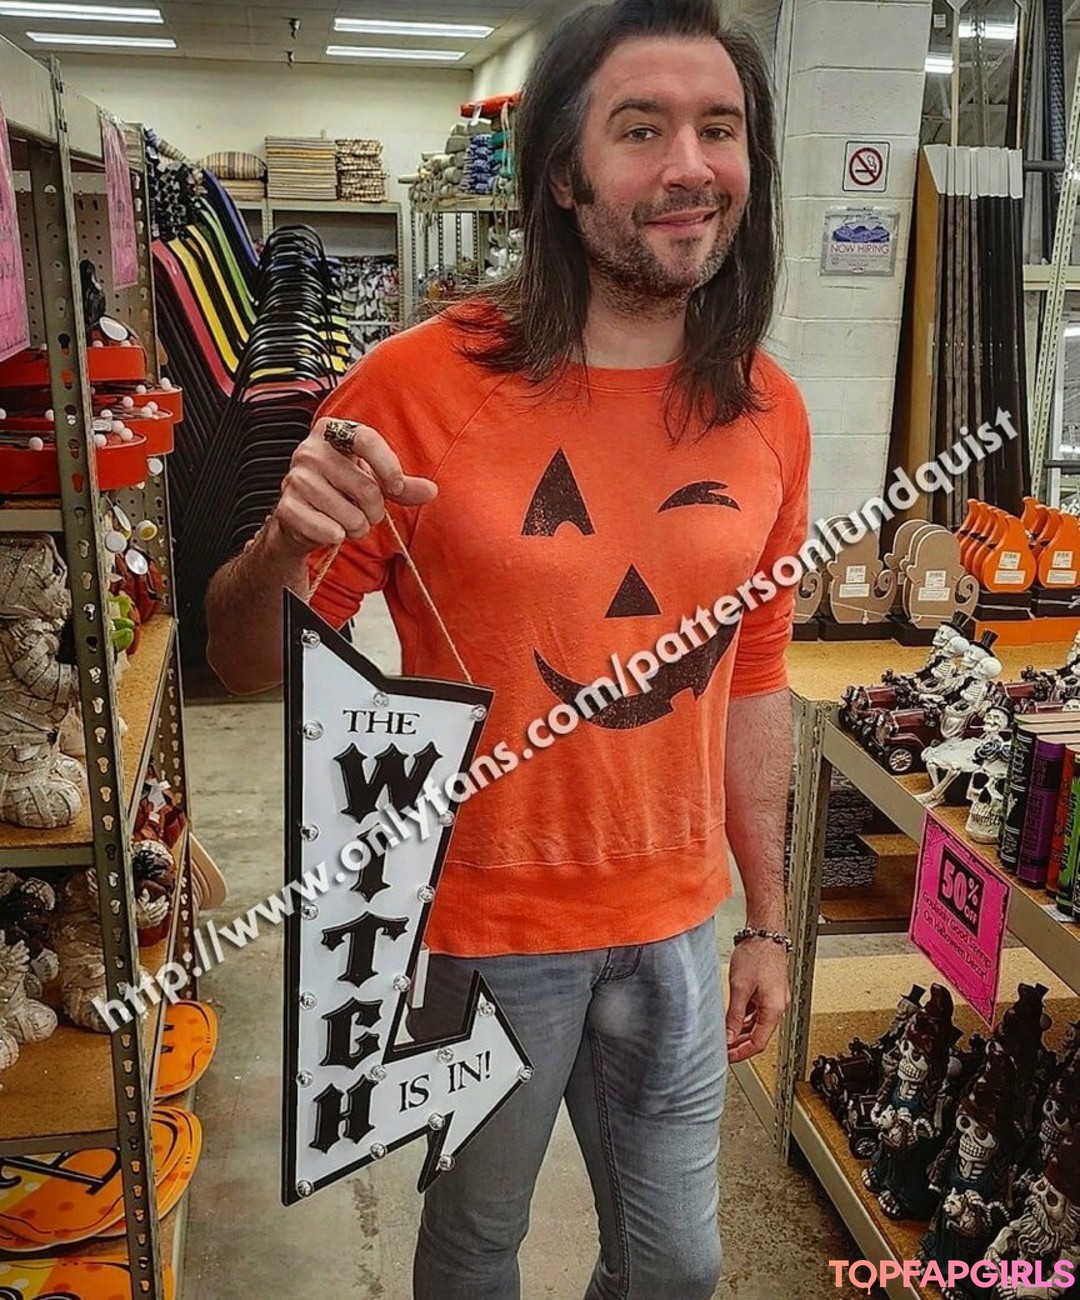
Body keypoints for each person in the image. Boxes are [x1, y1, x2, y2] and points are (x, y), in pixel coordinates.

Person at [206, 1, 810, 1296]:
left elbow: (756, 674)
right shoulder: (420, 387)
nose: (690, 165)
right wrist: (281, 548)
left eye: (719, 129)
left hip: (676, 922)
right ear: (561, 173)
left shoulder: (769, 408)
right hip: (483, 927)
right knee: (477, 1248)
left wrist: (767, 918)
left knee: (679, 1267)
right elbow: (251, 663)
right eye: (640, 130)